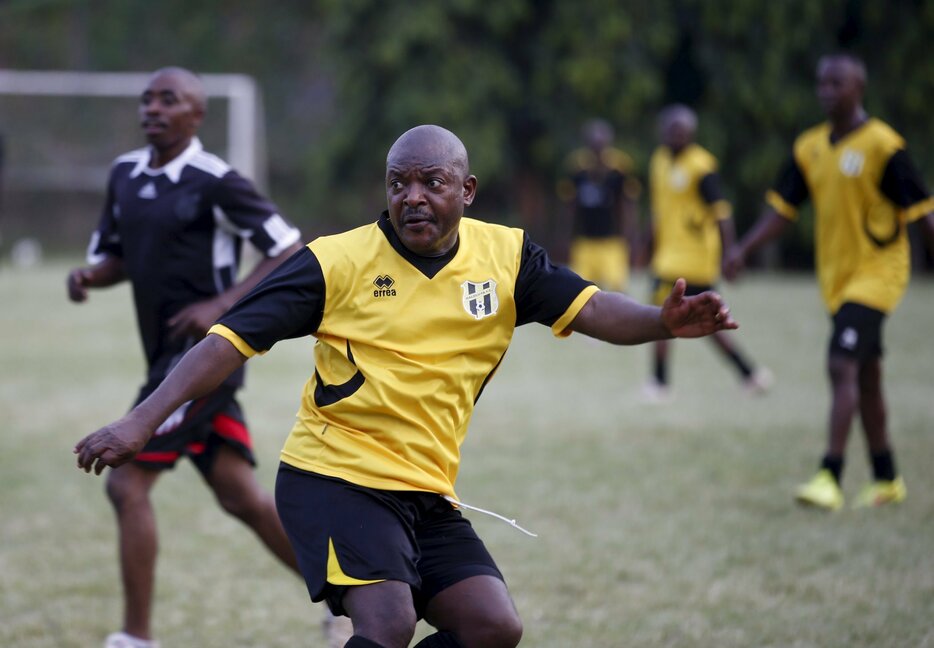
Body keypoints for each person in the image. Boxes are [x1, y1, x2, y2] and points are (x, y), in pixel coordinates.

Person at [75, 124, 739, 648]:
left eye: (432, 182)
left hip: (424, 489)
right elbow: (229, 339)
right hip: (333, 477)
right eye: (399, 184)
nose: (413, 197)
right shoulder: (336, 261)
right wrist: (141, 421)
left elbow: (590, 307)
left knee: (492, 628)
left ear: (467, 190)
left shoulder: (506, 258)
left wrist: (662, 323)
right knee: (386, 623)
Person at [65, 67, 353, 648]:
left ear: (196, 115)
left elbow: (287, 247)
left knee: (126, 487)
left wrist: (222, 302)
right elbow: (120, 254)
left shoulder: (216, 180)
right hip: (161, 358)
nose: (153, 108)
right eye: (147, 98)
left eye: (168, 100)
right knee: (239, 495)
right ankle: (348, 599)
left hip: (204, 358)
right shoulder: (124, 174)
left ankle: (135, 638)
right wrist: (89, 276)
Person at [725, 53, 934, 511]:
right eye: (821, 83)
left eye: (837, 83)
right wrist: (742, 249)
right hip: (836, 280)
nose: (826, 91)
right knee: (867, 376)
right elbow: (783, 209)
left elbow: (922, 213)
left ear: (859, 87)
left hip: (879, 275)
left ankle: (830, 475)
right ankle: (886, 478)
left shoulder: (884, 146)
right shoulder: (810, 147)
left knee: (841, 363)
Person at [643, 104, 772, 401]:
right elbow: (658, 210)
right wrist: (645, 242)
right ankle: (749, 374)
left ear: (691, 134)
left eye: (681, 131)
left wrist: (731, 252)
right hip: (668, 256)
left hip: (695, 258)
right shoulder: (659, 161)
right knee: (693, 321)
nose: (675, 135)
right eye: (670, 130)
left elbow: (722, 213)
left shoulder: (702, 167)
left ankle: (659, 383)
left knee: (672, 317)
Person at [557, 118, 641, 292]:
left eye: (601, 145)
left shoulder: (619, 167)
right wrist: (566, 236)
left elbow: (627, 204)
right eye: (593, 145)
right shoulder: (577, 167)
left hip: (612, 241)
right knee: (580, 292)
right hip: (584, 242)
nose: (597, 150)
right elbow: (569, 205)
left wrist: (631, 237)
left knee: (617, 290)